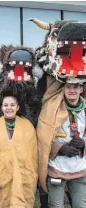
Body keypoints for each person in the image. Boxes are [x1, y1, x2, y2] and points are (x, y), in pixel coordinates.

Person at [0, 95, 38, 208]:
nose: (9, 108)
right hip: (0, 178)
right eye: (5, 105)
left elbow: (33, 155)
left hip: (23, 178)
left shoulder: (27, 126)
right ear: (1, 107)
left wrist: (29, 175)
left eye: (12, 105)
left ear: (17, 107)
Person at [38, 79, 86, 208]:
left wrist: (83, 144)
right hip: (57, 169)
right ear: (63, 89)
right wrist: (60, 148)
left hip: (80, 170)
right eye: (68, 87)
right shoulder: (51, 109)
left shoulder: (85, 110)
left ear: (81, 89)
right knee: (55, 206)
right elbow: (42, 137)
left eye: (75, 87)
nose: (72, 90)